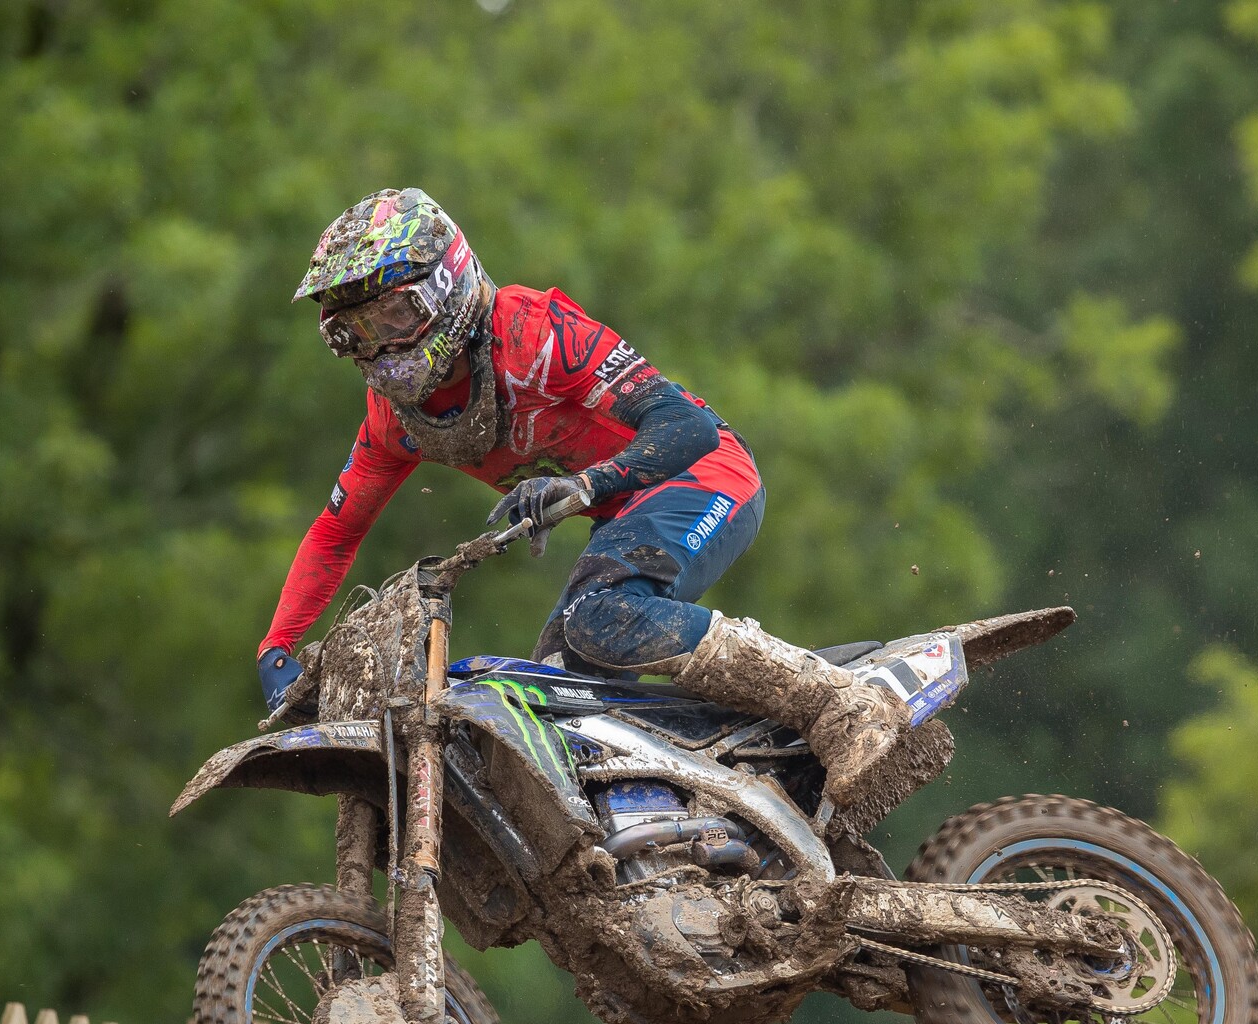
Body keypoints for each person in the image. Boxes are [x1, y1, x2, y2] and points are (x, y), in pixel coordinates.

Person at [257, 187, 912, 808]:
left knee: (601, 616)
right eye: (356, 331)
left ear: (446, 285)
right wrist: (278, 647)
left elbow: (687, 425)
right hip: (623, 520)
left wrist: (583, 486)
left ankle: (842, 705)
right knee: (546, 705)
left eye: (395, 316)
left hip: (708, 477)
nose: (381, 346)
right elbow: (338, 530)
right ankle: (684, 829)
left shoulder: (536, 334)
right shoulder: (394, 419)